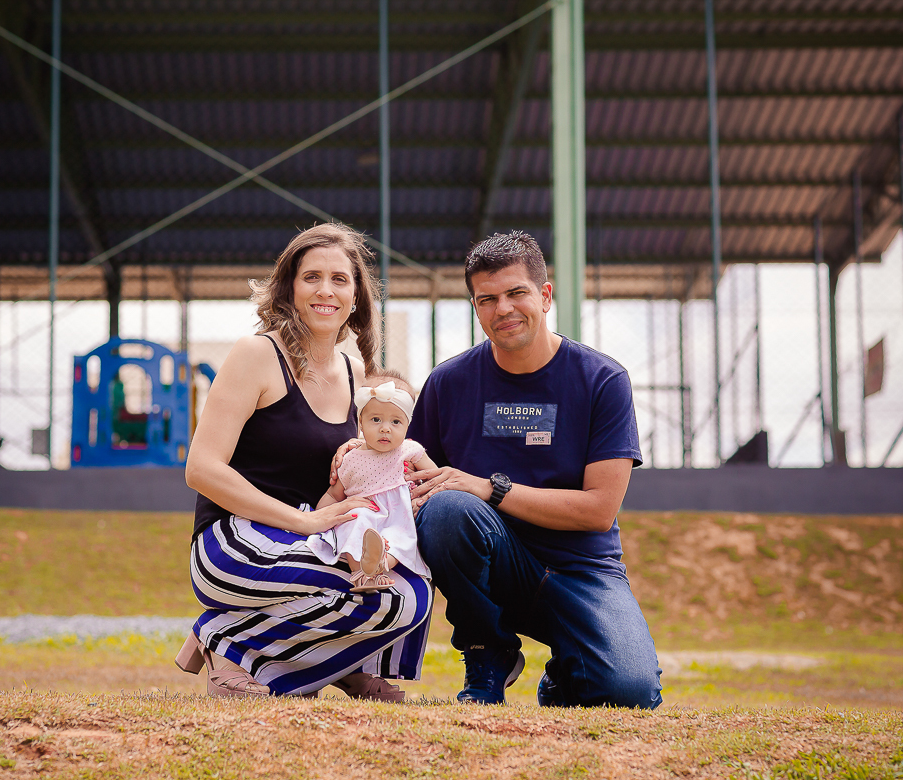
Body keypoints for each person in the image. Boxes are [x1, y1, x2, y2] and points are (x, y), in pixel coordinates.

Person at [405, 230, 662, 709]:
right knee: (444, 510)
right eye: (487, 299)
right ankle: (489, 652)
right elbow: (416, 484)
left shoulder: (603, 380)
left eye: (516, 293)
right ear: (476, 307)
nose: (502, 309)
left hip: (580, 569)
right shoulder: (447, 383)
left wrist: (491, 489)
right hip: (493, 564)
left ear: (545, 296)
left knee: (628, 693)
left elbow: (598, 511)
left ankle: (566, 675)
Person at [176, 222, 431, 702]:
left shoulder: (358, 376)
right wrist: (303, 520)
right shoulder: (257, 355)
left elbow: (361, 466)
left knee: (412, 586)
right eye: (311, 277)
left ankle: (331, 659)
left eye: (340, 279)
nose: (325, 290)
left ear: (356, 298)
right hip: (235, 541)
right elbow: (202, 469)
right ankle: (228, 644)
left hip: (313, 536)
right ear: (289, 288)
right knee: (388, 591)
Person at [308, 372, 434, 592]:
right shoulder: (350, 459)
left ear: (407, 425)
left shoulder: (409, 450)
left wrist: (423, 496)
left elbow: (435, 476)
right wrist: (318, 516)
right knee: (356, 521)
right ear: (361, 424)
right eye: (376, 419)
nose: (385, 428)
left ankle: (380, 565)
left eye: (396, 421)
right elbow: (334, 494)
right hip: (366, 511)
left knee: (399, 535)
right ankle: (362, 573)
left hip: (398, 514)